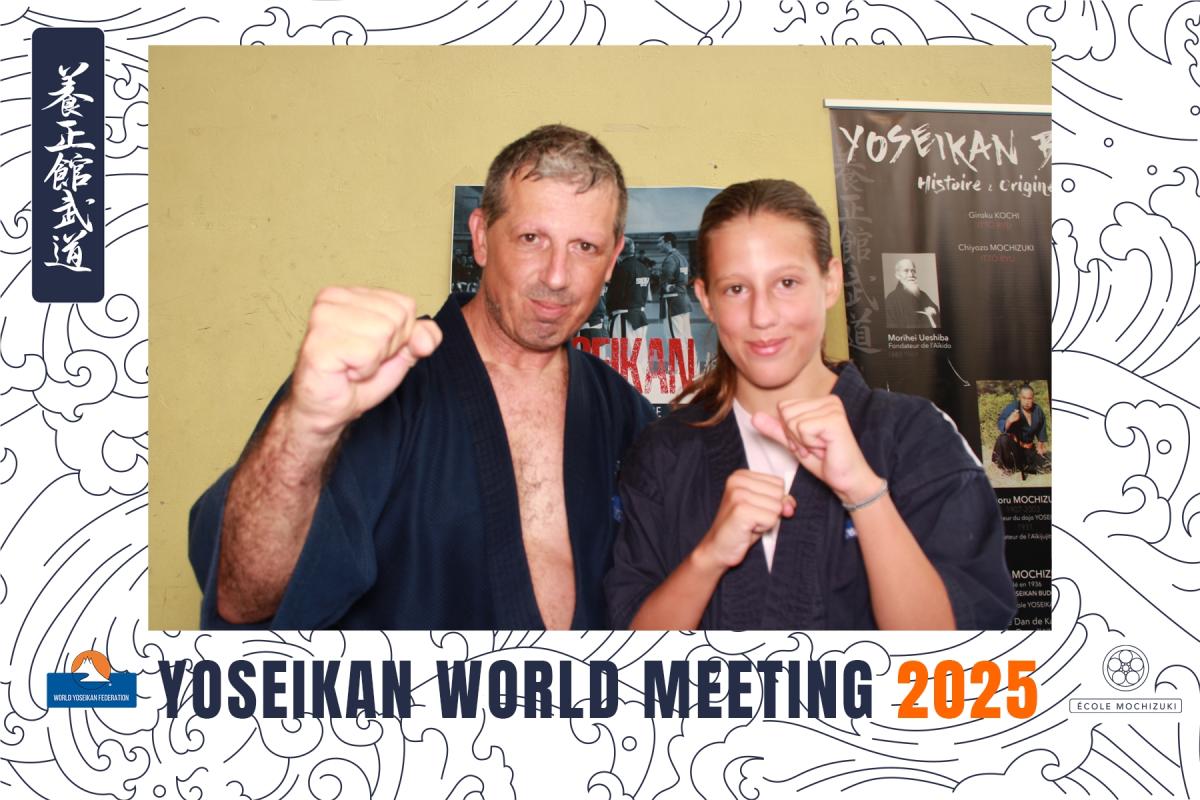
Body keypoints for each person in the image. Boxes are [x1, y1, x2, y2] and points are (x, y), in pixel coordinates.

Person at [189, 124, 655, 630]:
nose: (557, 275)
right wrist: (305, 426)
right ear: (481, 237)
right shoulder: (380, 383)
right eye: (531, 238)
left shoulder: (625, 412)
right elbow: (243, 597)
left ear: (613, 259)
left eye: (584, 247)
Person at [605, 179, 1015, 630]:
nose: (762, 316)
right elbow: (632, 657)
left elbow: (954, 656)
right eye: (736, 289)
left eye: (787, 283)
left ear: (830, 281)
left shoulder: (914, 435)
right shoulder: (664, 454)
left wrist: (865, 494)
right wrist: (709, 556)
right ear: (706, 300)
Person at [606, 236, 651, 387]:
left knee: (623, 354)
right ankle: (641, 385)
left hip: (624, 317)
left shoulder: (622, 269)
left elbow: (615, 295)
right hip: (640, 316)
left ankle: (627, 388)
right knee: (639, 353)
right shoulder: (644, 268)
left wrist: (608, 311)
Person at [991, 383, 1050, 479]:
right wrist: (1010, 420)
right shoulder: (1012, 407)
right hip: (1015, 449)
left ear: (1033, 398)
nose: (1027, 402)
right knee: (1003, 438)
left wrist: (1040, 447)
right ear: (1020, 397)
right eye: (1024, 398)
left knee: (1045, 468)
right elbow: (1001, 424)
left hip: (1029, 449)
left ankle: (1023, 466)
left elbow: (1041, 429)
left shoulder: (1038, 410)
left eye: (1029, 398)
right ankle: (1007, 468)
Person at [884, 257, 940, 328]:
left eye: (913, 271)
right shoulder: (892, 299)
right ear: (898, 275)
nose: (911, 274)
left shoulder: (923, 295)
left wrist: (933, 312)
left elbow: (935, 311)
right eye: (906, 271)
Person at [657, 232, 693, 341]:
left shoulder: (670, 259)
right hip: (684, 301)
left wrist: (666, 285)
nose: (658, 245)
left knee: (674, 339)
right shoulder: (682, 258)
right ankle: (689, 354)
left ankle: (679, 354)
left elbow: (664, 281)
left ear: (668, 243)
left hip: (672, 303)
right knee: (687, 337)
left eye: (660, 242)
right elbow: (687, 277)